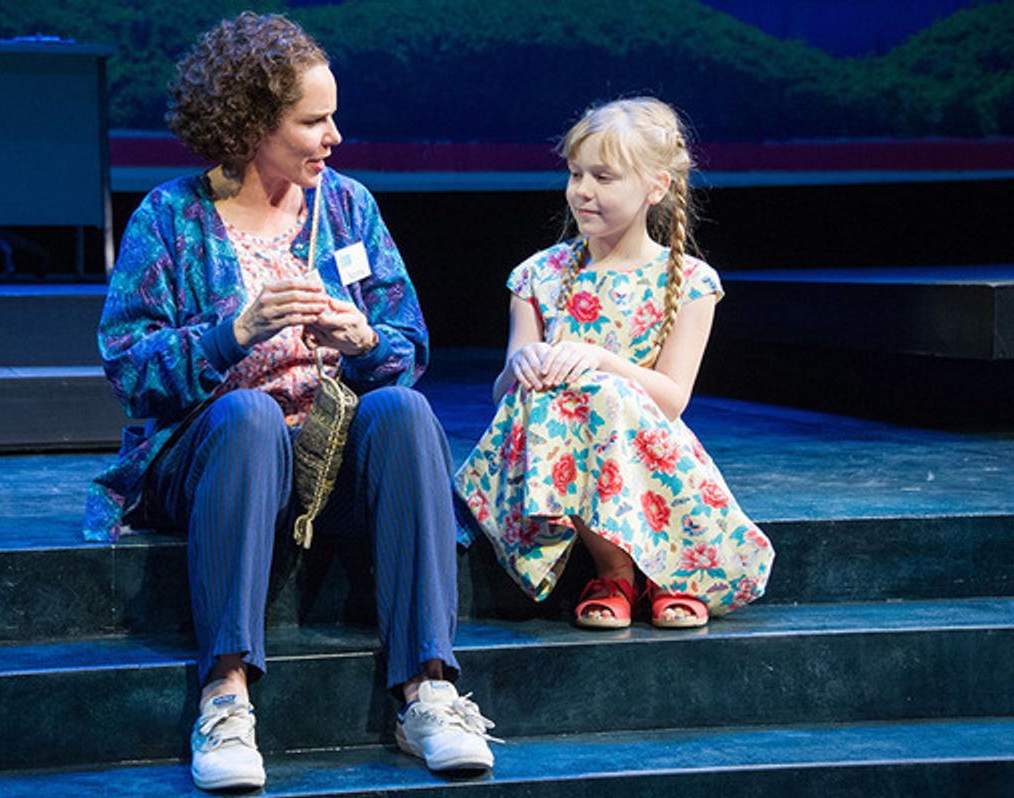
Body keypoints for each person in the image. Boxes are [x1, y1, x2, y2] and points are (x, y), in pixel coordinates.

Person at [82, 12, 496, 791]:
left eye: (332, 115)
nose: (333, 135)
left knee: (404, 412)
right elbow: (128, 369)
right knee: (248, 415)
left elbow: (410, 340)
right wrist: (228, 335)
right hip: (217, 459)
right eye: (313, 120)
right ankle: (226, 696)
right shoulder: (172, 219)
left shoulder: (348, 208)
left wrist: (365, 341)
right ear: (250, 125)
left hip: (330, 455)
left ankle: (428, 692)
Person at [455, 98, 774, 631]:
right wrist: (526, 363)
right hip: (559, 450)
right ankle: (615, 569)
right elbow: (504, 389)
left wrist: (601, 359)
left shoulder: (691, 282)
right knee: (555, 394)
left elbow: (671, 398)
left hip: (645, 443)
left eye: (604, 177)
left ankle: (667, 569)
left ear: (655, 188)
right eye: (577, 174)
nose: (582, 190)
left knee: (603, 389)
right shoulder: (537, 277)